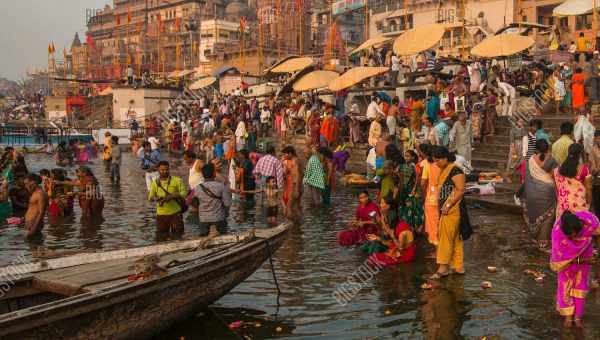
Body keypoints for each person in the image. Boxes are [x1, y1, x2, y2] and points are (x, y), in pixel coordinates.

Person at [551, 211, 600, 328]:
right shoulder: (557, 234)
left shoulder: (588, 221)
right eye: (570, 236)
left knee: (580, 285)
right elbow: (559, 260)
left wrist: (597, 253)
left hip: (585, 253)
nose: (574, 238)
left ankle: (578, 316)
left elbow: (598, 234)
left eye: (576, 234)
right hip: (565, 260)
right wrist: (583, 261)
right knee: (565, 287)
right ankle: (568, 317)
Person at [430, 146, 466, 279]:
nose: (436, 163)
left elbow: (461, 189)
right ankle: (458, 266)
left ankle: (443, 268)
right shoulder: (446, 169)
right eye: (434, 160)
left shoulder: (455, 170)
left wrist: (449, 205)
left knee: (445, 238)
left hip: (452, 209)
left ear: (445, 158)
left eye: (438, 160)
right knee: (455, 238)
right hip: (447, 208)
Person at [523, 139, 557, 251]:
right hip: (547, 193)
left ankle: (535, 238)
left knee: (535, 214)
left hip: (532, 193)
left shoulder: (530, 160)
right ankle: (543, 242)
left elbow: (526, 179)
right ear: (548, 148)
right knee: (548, 218)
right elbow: (556, 178)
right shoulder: (551, 161)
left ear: (536, 148)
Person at [148, 161, 188, 237]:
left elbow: (184, 194)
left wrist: (173, 196)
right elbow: (150, 198)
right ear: (158, 170)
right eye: (162, 170)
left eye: (167, 169)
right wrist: (156, 198)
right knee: (161, 237)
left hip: (175, 214)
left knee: (178, 236)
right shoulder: (155, 183)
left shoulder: (177, 180)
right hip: (161, 215)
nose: (165, 171)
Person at [554, 143, 592, 219]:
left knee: (564, 227)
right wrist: (588, 202)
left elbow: (557, 185)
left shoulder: (559, 168)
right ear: (580, 155)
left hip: (563, 205)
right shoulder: (583, 170)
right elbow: (589, 188)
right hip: (578, 206)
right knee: (578, 228)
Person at [195, 163, 232, 235]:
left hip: (203, 219)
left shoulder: (197, 188)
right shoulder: (222, 186)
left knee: (203, 239)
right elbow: (227, 204)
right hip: (219, 219)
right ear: (214, 174)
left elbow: (189, 201)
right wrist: (226, 214)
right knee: (222, 239)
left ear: (202, 175)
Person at [23, 174, 48, 238]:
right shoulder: (34, 193)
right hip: (30, 223)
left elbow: (41, 212)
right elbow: (32, 208)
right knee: (32, 245)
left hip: (34, 224)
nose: (26, 186)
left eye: (27, 184)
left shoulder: (40, 194)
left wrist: (34, 228)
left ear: (33, 182)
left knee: (35, 244)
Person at [281, 146, 302, 220]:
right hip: (294, 186)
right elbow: (288, 173)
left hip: (294, 187)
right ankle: (299, 222)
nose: (284, 156)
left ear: (290, 153)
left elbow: (297, 175)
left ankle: (291, 224)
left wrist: (296, 190)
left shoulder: (294, 161)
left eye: (285, 154)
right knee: (296, 207)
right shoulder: (294, 160)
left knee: (289, 207)